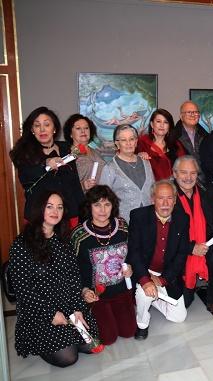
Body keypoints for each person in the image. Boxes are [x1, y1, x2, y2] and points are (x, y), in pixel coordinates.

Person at [8, 191, 100, 367]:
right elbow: (23, 290)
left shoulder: (63, 240)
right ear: (39, 209)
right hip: (40, 310)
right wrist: (50, 314)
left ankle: (69, 335)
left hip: (66, 305)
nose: (55, 211)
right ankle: (40, 341)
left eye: (59, 207)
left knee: (91, 344)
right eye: (49, 206)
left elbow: (74, 279)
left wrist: (78, 308)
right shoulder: (21, 244)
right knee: (68, 358)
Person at [71, 185, 136, 344]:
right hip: (97, 296)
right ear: (89, 206)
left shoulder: (122, 226)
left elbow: (132, 252)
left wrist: (131, 267)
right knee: (108, 338)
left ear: (113, 206)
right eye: (97, 205)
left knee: (129, 332)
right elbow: (72, 269)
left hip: (122, 291)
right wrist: (84, 290)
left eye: (107, 204)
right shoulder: (79, 234)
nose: (102, 210)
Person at [128, 180, 190, 340]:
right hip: (145, 269)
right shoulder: (138, 216)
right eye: (160, 198)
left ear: (175, 200)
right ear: (152, 199)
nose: (165, 203)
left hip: (166, 273)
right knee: (144, 292)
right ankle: (142, 323)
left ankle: (153, 297)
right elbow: (133, 252)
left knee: (179, 317)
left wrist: (163, 280)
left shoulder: (182, 219)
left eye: (169, 198)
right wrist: (145, 279)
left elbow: (182, 254)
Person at [172, 155, 213, 318]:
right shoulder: (168, 196)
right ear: (175, 174)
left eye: (193, 173)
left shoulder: (205, 191)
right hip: (179, 249)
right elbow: (166, 236)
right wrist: (190, 248)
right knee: (184, 304)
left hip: (206, 242)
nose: (188, 178)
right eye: (183, 173)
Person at [9, 107, 84, 227]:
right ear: (32, 130)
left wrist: (84, 212)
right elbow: (26, 178)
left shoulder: (66, 149)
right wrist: (46, 164)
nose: (42, 129)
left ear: (54, 128)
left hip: (69, 216)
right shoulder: (24, 153)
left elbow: (75, 185)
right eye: (37, 125)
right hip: (40, 219)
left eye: (47, 124)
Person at [99, 124, 155, 222]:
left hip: (148, 221)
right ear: (117, 143)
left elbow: (153, 190)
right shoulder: (110, 168)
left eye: (131, 139)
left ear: (136, 141)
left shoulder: (146, 162)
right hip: (124, 224)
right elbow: (102, 199)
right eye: (124, 140)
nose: (128, 143)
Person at [137, 108, 186, 180]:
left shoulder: (176, 144)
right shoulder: (142, 142)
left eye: (166, 122)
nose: (162, 125)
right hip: (151, 188)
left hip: (174, 187)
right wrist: (138, 156)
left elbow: (184, 166)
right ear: (152, 124)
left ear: (169, 126)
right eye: (158, 121)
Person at [63, 113, 106, 192]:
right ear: (70, 134)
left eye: (86, 128)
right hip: (79, 200)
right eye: (78, 128)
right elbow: (64, 184)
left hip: (98, 200)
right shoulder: (67, 154)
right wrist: (82, 186)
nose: (83, 131)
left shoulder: (96, 152)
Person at [175, 101, 209, 178]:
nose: (193, 115)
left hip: (204, 182)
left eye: (196, 112)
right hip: (182, 181)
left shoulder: (206, 136)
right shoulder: (172, 137)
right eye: (189, 112)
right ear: (181, 116)